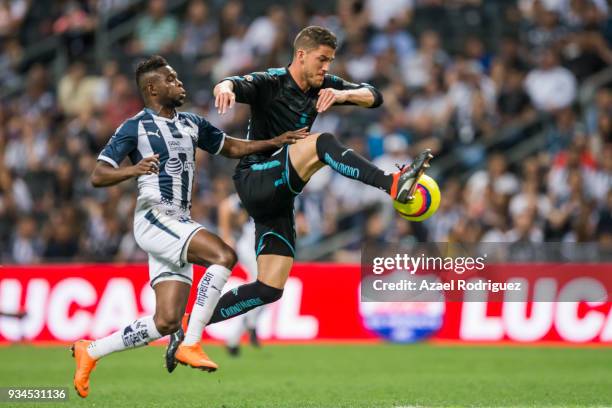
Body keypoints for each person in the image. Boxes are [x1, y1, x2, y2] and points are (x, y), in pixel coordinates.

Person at [166, 26, 433, 371]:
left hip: (280, 196)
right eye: (322, 60)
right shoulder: (272, 81)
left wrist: (342, 96)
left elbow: (374, 95)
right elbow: (233, 82)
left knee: (269, 287)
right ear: (301, 55)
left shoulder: (325, 85)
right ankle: (392, 184)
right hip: (255, 178)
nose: (326, 67)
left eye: (330, 61)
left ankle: (188, 327)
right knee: (321, 144)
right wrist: (225, 88)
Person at [70, 55, 307, 398]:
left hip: (178, 223)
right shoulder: (134, 127)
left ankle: (90, 351)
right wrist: (133, 170)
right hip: (155, 218)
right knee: (223, 256)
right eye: (170, 80)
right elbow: (99, 174)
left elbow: (231, 147)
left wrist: (275, 142)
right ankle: (191, 342)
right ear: (152, 88)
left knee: (165, 321)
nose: (179, 84)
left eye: (178, 78)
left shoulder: (192, 123)